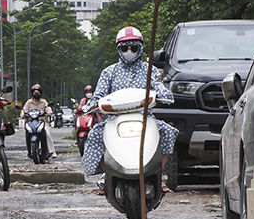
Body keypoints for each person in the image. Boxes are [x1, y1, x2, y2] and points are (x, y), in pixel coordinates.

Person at [80, 26, 178, 193]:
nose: (129, 51)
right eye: (125, 48)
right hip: (114, 119)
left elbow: (158, 87)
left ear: (140, 49)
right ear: (119, 50)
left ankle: (158, 173)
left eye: (134, 48)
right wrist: (90, 106)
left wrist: (165, 95)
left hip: (145, 118)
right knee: (94, 134)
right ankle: (107, 173)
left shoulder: (150, 70)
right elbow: (99, 95)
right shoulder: (109, 72)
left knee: (169, 132)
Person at [22, 84, 57, 161]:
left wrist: (48, 113)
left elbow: (48, 109)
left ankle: (52, 151)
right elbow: (24, 110)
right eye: (35, 93)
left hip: (43, 122)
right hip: (31, 122)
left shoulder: (44, 102)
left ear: (41, 93)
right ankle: (29, 151)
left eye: (38, 93)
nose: (36, 94)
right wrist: (22, 114)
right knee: (27, 133)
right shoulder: (29, 102)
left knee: (47, 133)